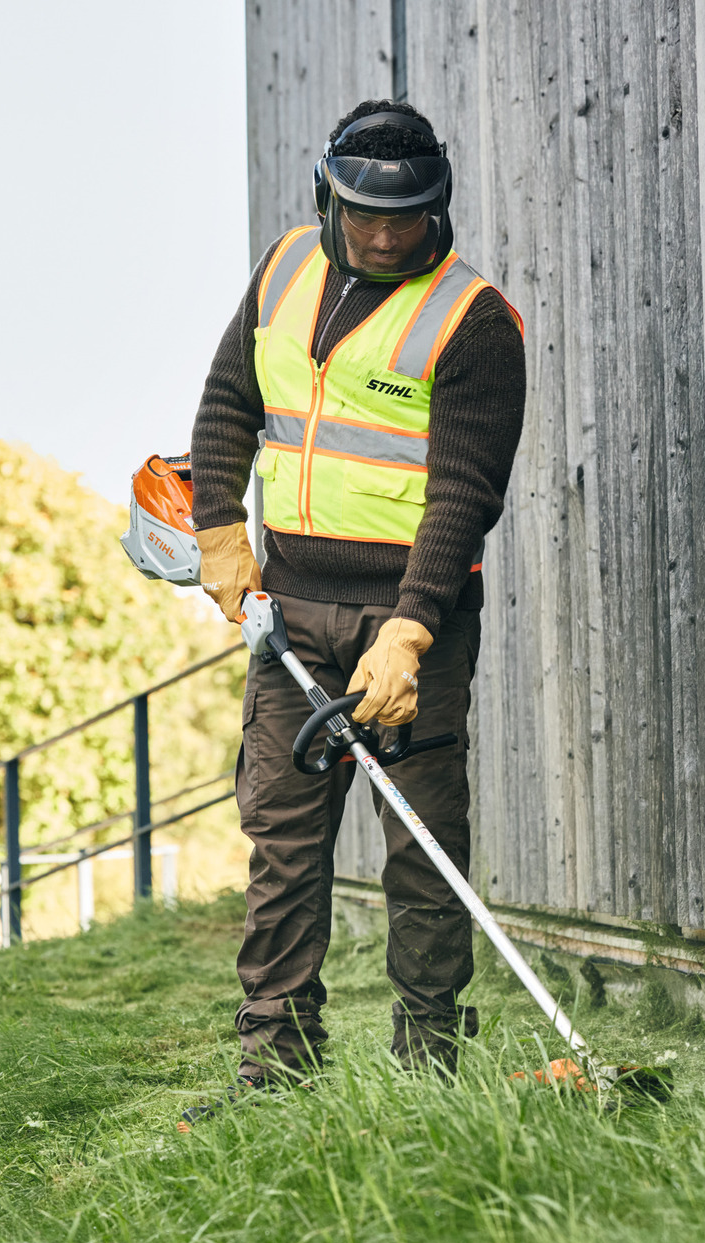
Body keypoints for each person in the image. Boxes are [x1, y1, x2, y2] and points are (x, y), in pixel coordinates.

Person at [182, 99, 527, 1114]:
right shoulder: (285, 269)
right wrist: (216, 529)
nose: (382, 235)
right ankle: (274, 1070)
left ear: (439, 204)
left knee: (421, 847)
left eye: (405, 218)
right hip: (290, 611)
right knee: (283, 845)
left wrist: (411, 633)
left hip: (409, 626)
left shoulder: (472, 321)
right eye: (363, 214)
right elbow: (226, 405)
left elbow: (465, 493)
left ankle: (429, 1067)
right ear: (328, 196)